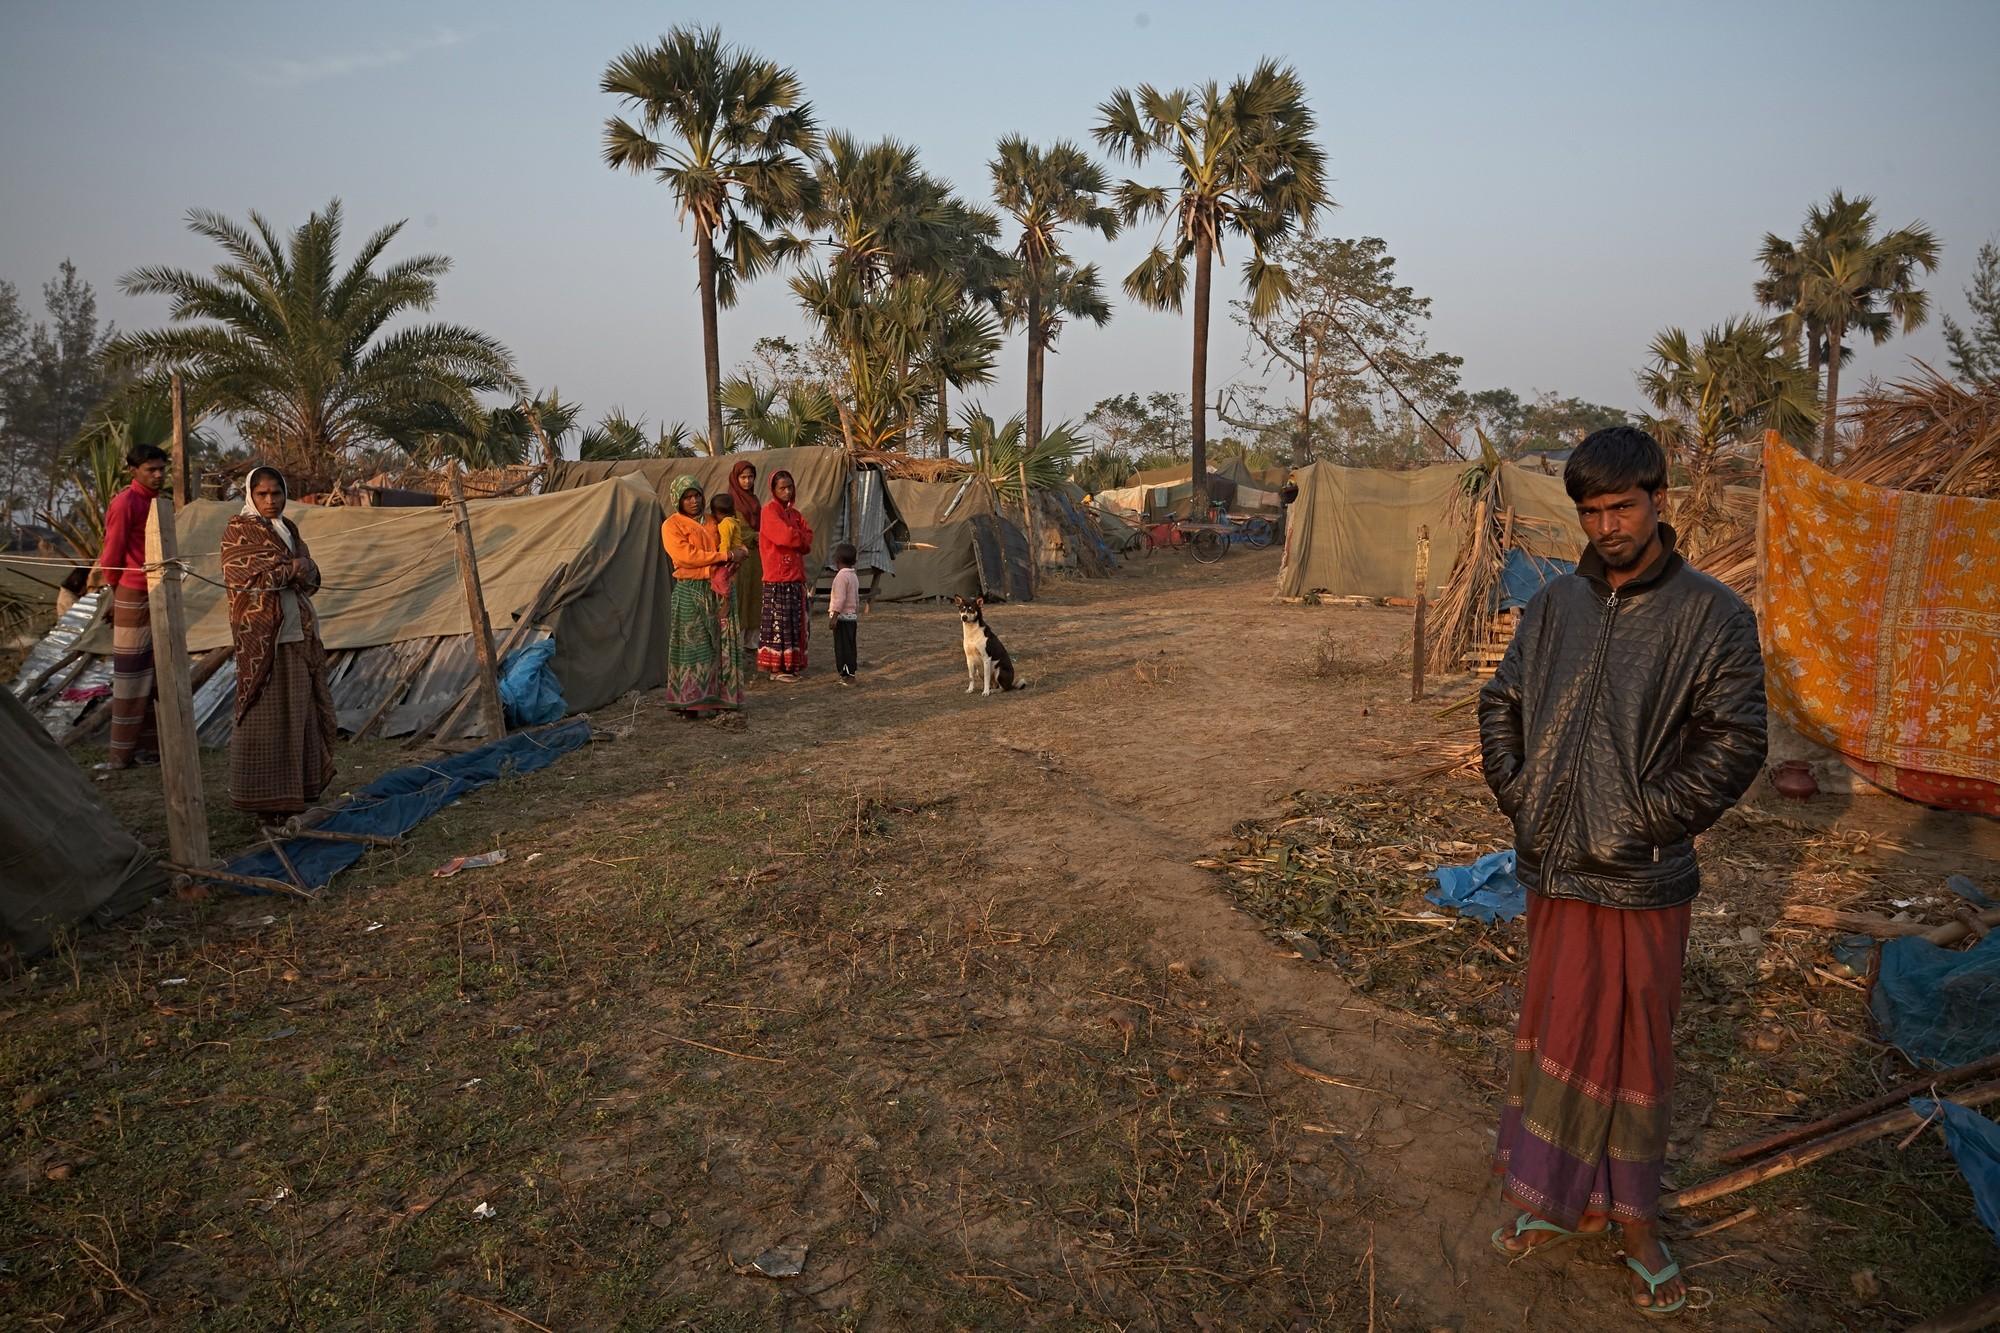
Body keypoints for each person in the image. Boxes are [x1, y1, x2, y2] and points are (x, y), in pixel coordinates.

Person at [1478, 426, 1766, 1318]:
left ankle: (1636, 1220)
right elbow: (1503, 702)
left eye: (1623, 506)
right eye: (1592, 510)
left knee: (1634, 1042)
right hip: (1555, 869)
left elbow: (1738, 741)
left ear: (1659, 500)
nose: (1608, 525)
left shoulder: (1711, 613)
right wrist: (1524, 797)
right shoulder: (1555, 604)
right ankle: (1552, 1197)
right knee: (1561, 1029)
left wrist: (1641, 822)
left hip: (1641, 877)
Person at [221, 466, 338, 820]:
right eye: (263, 494)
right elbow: (242, 578)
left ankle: (297, 792)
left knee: (299, 712)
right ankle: (261, 799)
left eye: (277, 493)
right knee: (265, 716)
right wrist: (293, 569)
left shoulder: (289, 529)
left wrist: (303, 569)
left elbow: (311, 576)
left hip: (297, 633)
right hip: (263, 641)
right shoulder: (238, 531)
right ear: (250, 496)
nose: (271, 501)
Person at [91, 444, 169, 769]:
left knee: (157, 672)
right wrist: (115, 592)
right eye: (151, 469)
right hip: (133, 591)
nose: (158, 475)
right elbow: (112, 554)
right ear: (133, 471)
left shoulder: (159, 503)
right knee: (131, 673)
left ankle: (150, 750)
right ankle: (120, 756)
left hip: (161, 592)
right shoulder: (125, 503)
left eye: (162, 468)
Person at [661, 476, 743, 718]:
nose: (693, 500)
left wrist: (738, 553)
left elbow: (730, 541)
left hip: (717, 589)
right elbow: (687, 556)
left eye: (696, 495)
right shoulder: (671, 526)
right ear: (678, 500)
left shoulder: (712, 520)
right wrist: (723, 557)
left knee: (721, 645)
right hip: (689, 588)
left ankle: (720, 699)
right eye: (687, 497)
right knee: (693, 647)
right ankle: (690, 702)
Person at [756, 469, 813, 681]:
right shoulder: (769, 511)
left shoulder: (795, 514)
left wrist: (798, 538)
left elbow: (808, 536)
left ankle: (791, 664)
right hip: (777, 576)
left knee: (794, 622)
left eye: (790, 487)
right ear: (774, 490)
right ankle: (777, 668)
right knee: (779, 623)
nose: (787, 491)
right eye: (783, 488)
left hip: (795, 576)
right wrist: (798, 538)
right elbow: (785, 537)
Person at [726, 459, 764, 662]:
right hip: (740, 558)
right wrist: (753, 536)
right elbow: (733, 530)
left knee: (755, 596)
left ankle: (752, 642)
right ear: (735, 478)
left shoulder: (755, 501)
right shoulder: (730, 502)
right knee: (740, 597)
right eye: (743, 477)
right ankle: (737, 642)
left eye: (750, 477)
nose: (747, 481)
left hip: (757, 557)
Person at [828, 541, 860, 683]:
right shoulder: (853, 576)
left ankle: (846, 674)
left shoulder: (841, 577)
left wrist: (834, 617)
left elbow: (839, 599)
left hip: (842, 618)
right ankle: (851, 672)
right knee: (850, 646)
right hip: (851, 618)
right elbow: (856, 597)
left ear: (837, 560)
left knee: (842, 648)